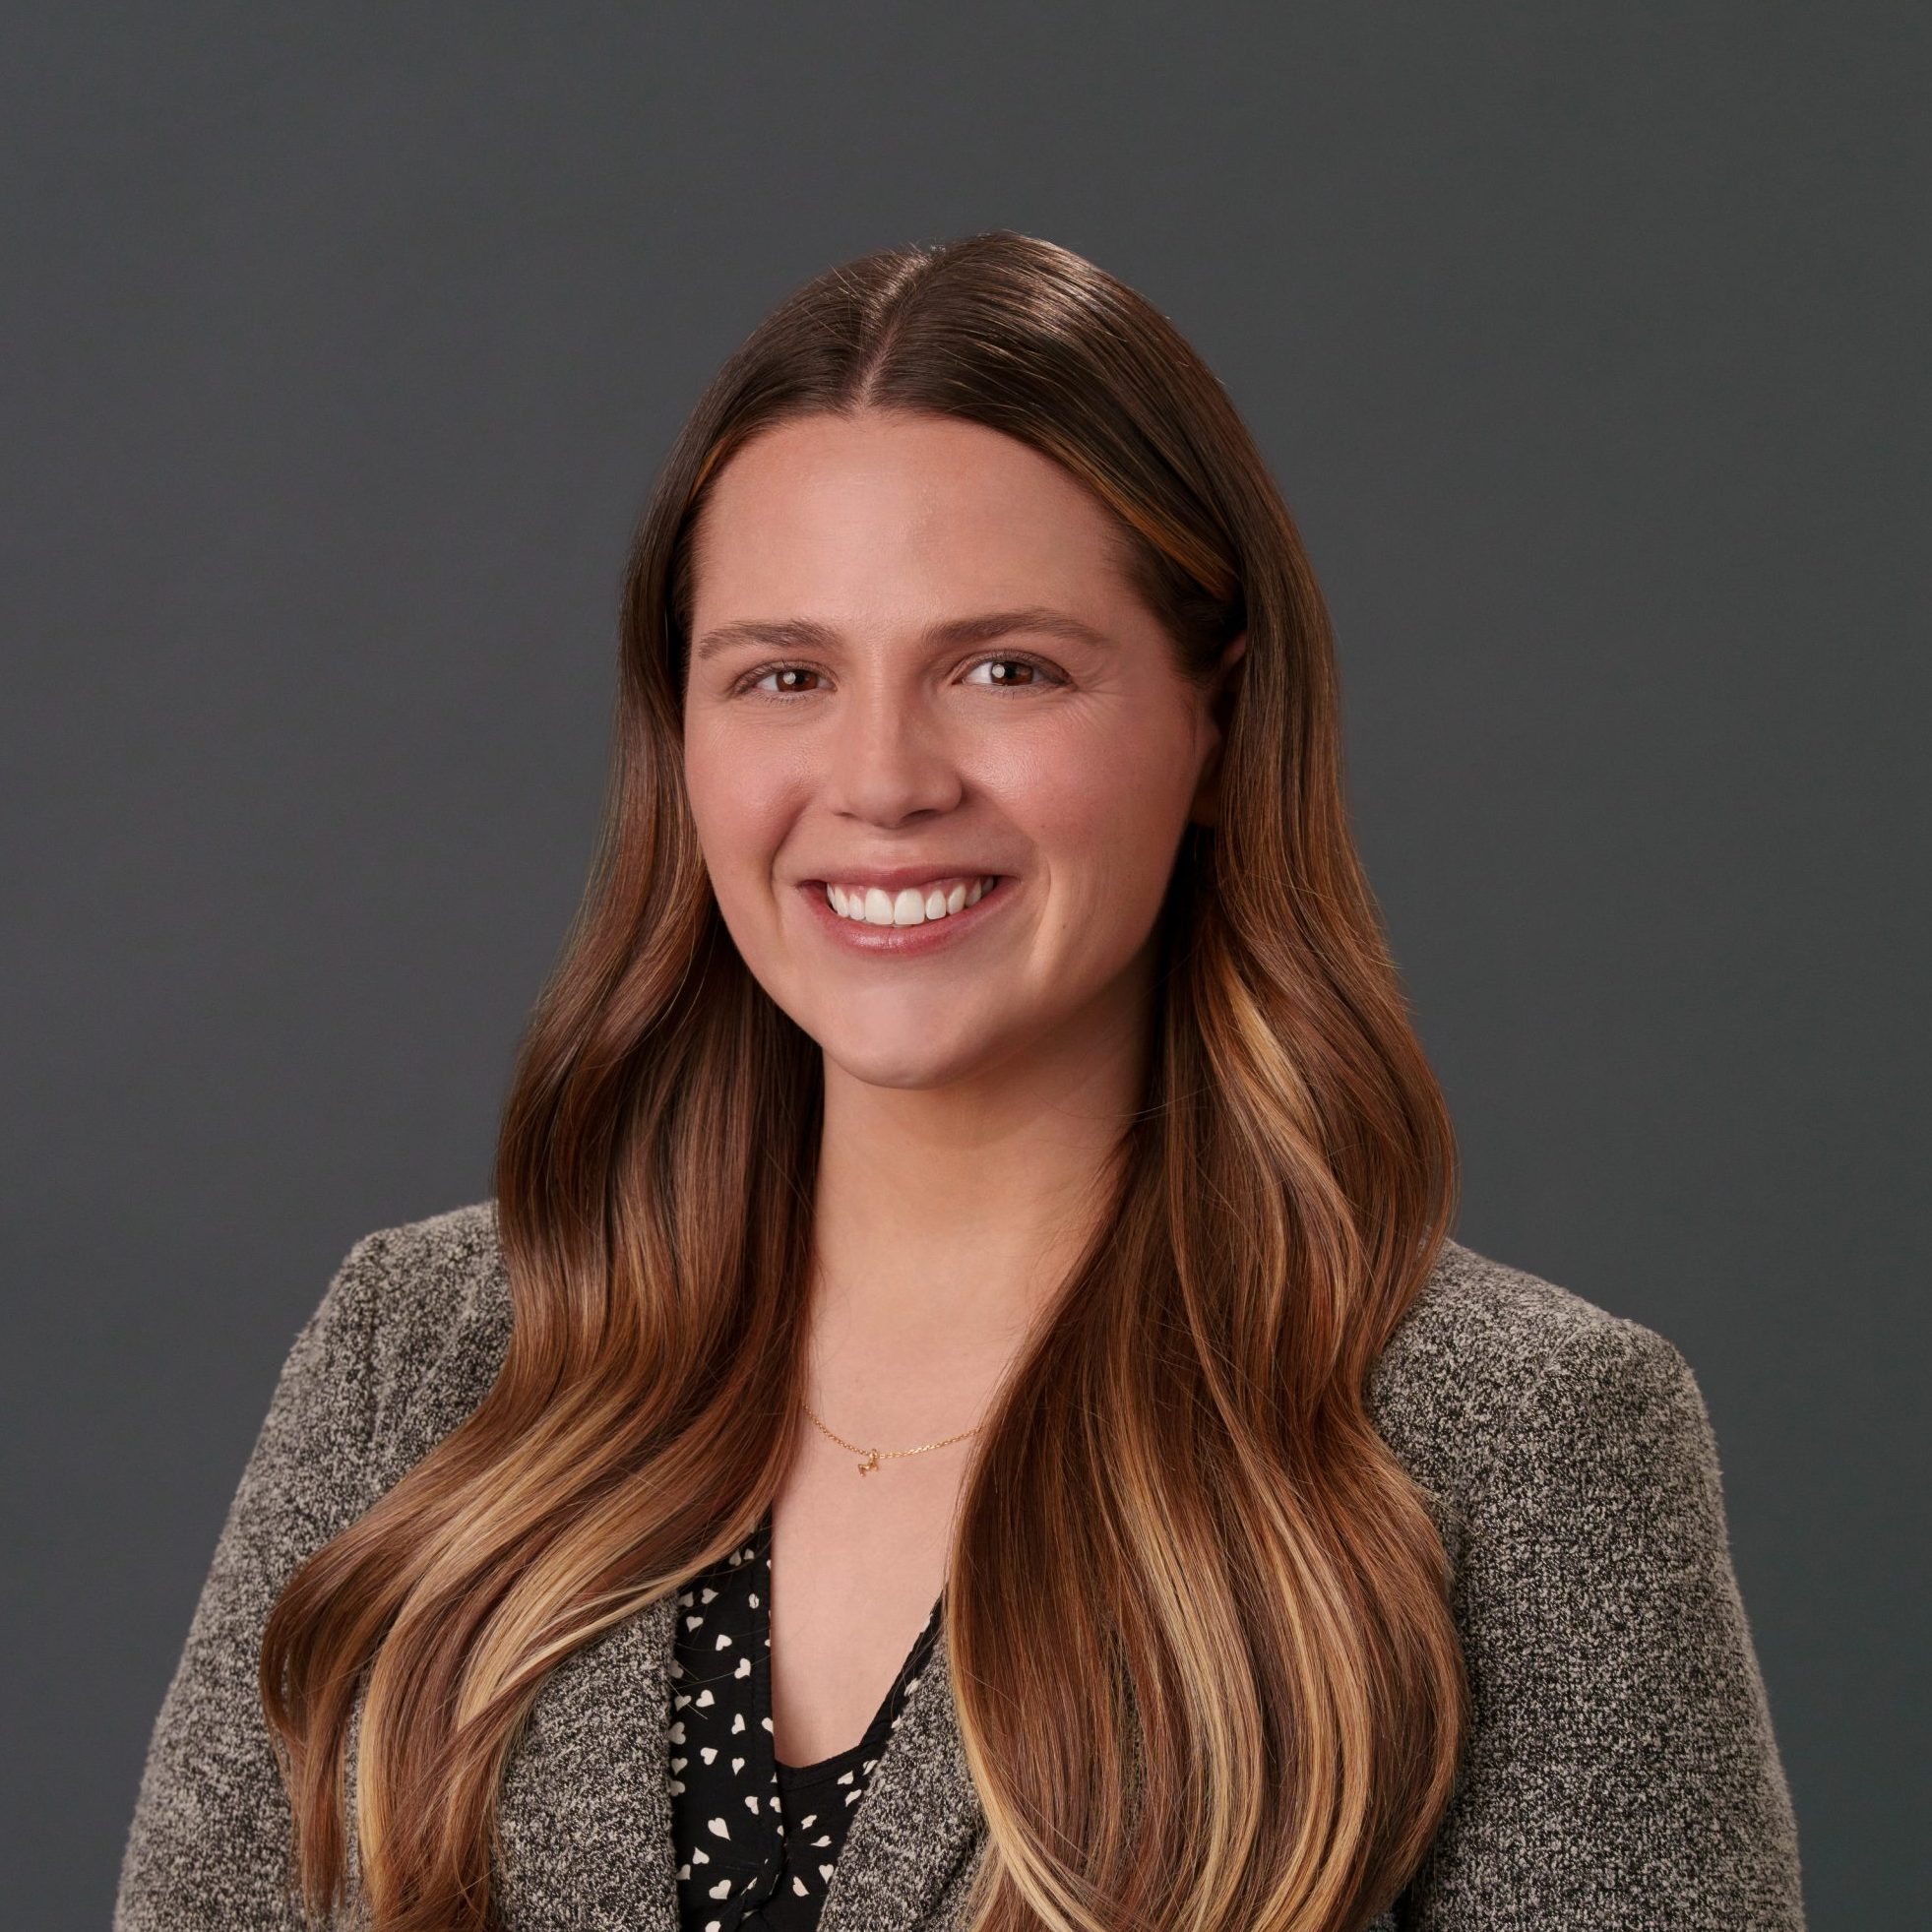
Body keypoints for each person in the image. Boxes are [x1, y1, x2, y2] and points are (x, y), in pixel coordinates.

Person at [113, 231, 1806, 1932]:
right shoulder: (418, 1362)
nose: (881, 781)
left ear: (1216, 727)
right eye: (785, 676)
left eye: (1006, 670)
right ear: (679, 734)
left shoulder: (1514, 1443)